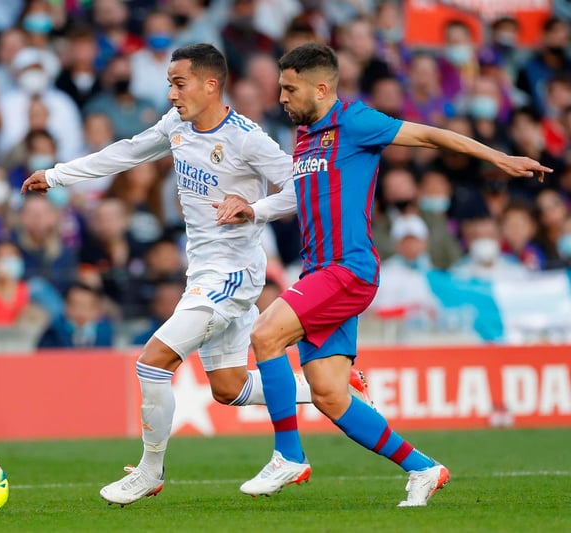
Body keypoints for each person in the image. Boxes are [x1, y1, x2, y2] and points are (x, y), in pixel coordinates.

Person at [22, 43, 371, 506]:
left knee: (151, 362)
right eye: (169, 83)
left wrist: (253, 209)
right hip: (202, 273)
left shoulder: (248, 138)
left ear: (210, 85)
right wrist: (58, 174)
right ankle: (331, 389)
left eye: (178, 83)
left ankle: (149, 471)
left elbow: (300, 188)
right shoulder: (176, 126)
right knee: (229, 388)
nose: (170, 93)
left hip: (231, 275)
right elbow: (127, 152)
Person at [214, 43, 551, 507]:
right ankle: (424, 468)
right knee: (329, 394)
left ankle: (288, 455)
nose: (283, 97)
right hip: (319, 271)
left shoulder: (355, 122)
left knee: (266, 334)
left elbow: (433, 136)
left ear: (321, 86)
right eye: (281, 87)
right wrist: (254, 210)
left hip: (346, 269)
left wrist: (498, 157)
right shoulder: (307, 134)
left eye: (290, 88)